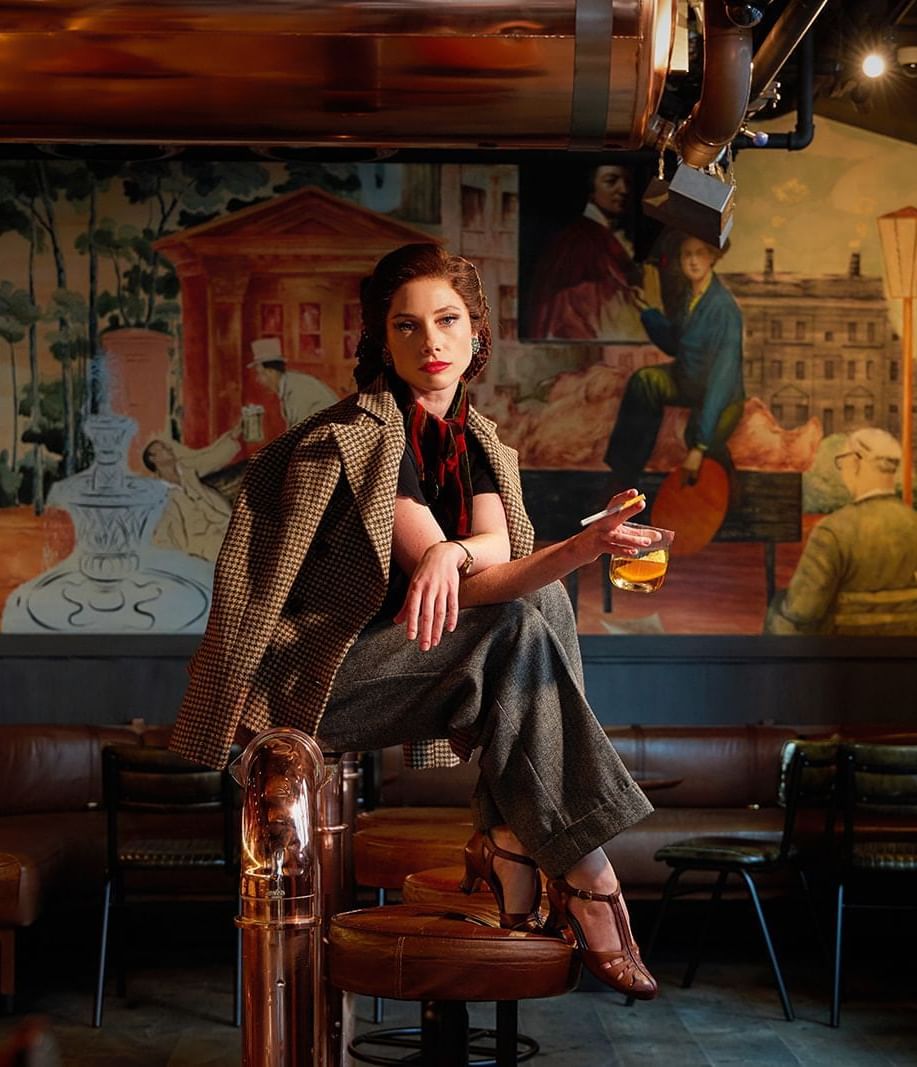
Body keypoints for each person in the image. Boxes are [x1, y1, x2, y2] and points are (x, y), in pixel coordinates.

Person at [170, 243, 660, 999]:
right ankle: (581, 866)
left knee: (541, 602)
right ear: (382, 340)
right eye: (406, 326)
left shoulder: (475, 438)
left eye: (446, 320)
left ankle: (510, 838)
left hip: (403, 663)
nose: (429, 342)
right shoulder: (367, 435)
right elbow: (459, 579)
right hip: (312, 684)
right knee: (518, 618)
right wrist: (447, 557)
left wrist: (575, 547)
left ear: (475, 334)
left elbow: (493, 558)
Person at [605, 233, 745, 488]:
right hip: (687, 381)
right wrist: (647, 312)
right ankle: (623, 476)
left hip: (721, 397)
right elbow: (675, 344)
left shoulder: (724, 309)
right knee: (644, 381)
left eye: (700, 253)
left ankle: (731, 493)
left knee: (700, 440)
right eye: (686, 254)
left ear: (713, 257)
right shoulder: (689, 298)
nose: (692, 261)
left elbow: (721, 381)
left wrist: (699, 447)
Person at [766, 428, 917, 635]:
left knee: (779, 611)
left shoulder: (832, 531)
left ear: (855, 463)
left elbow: (802, 610)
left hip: (842, 653)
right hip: (905, 653)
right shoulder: (913, 522)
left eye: (842, 461)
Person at [527, 164, 646, 341]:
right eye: (611, 181)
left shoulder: (603, 236)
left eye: (627, 183)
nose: (623, 190)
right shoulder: (579, 242)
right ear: (591, 190)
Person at [143, 425, 242, 561]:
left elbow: (211, 459)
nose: (170, 448)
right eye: (163, 448)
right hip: (198, 542)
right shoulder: (156, 494)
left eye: (167, 446)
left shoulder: (186, 468)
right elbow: (161, 533)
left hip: (220, 521)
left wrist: (232, 437)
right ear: (153, 459)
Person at [248, 337, 339, 427]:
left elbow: (299, 430)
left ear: (272, 372)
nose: (258, 379)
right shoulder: (288, 384)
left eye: (261, 374)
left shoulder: (297, 388)